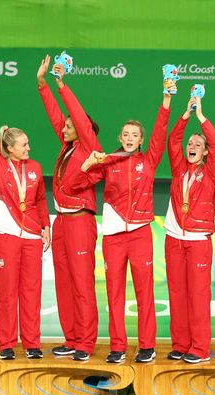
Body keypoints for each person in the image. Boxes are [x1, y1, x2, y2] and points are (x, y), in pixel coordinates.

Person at [71, 81, 173, 364]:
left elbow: (160, 133)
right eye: (126, 134)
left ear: (141, 141)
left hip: (140, 233)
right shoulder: (109, 161)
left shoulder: (149, 161)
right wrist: (87, 164)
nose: (129, 138)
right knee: (114, 294)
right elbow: (76, 184)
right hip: (113, 236)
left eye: (134, 135)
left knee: (144, 292)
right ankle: (117, 347)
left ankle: (147, 346)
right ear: (120, 137)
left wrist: (166, 100)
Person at [0, 81, 51, 360]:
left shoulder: (35, 168)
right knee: (7, 291)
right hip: (6, 235)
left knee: (32, 291)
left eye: (28, 143)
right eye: (24, 144)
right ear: (9, 148)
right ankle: (7, 343)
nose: (29, 147)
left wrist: (46, 227)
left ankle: (32, 343)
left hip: (32, 235)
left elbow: (41, 200)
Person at [37, 55, 101, 362]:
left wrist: (61, 84)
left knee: (81, 283)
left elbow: (76, 114)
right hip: (61, 221)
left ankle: (86, 343)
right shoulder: (67, 146)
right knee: (63, 283)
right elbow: (56, 116)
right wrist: (42, 84)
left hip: (80, 222)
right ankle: (72, 338)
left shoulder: (90, 147)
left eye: (70, 125)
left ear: (83, 128)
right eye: (64, 125)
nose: (64, 127)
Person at [163, 96, 215, 364]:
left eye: (198, 144)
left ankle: (199, 348)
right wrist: (186, 114)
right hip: (174, 237)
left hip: (198, 239)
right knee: (177, 294)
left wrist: (201, 116)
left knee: (198, 296)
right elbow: (173, 140)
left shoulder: (211, 172)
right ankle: (181, 344)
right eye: (190, 143)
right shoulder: (178, 168)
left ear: (206, 152)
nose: (192, 146)